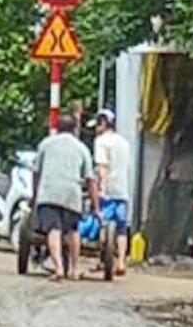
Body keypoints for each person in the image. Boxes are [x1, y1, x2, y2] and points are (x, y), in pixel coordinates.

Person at [32, 116, 95, 280]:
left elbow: (36, 172)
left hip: (49, 193)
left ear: (57, 128)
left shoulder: (45, 144)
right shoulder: (82, 148)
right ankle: (74, 270)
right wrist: (96, 206)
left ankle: (59, 268)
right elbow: (90, 179)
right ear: (75, 129)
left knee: (54, 229)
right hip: (72, 195)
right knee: (73, 230)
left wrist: (35, 195)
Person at [91, 108, 133, 277]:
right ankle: (121, 261)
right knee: (121, 227)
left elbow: (103, 166)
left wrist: (101, 188)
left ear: (103, 124)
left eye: (97, 125)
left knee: (103, 224)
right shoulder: (124, 143)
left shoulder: (101, 142)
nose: (95, 129)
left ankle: (103, 260)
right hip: (122, 189)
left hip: (108, 190)